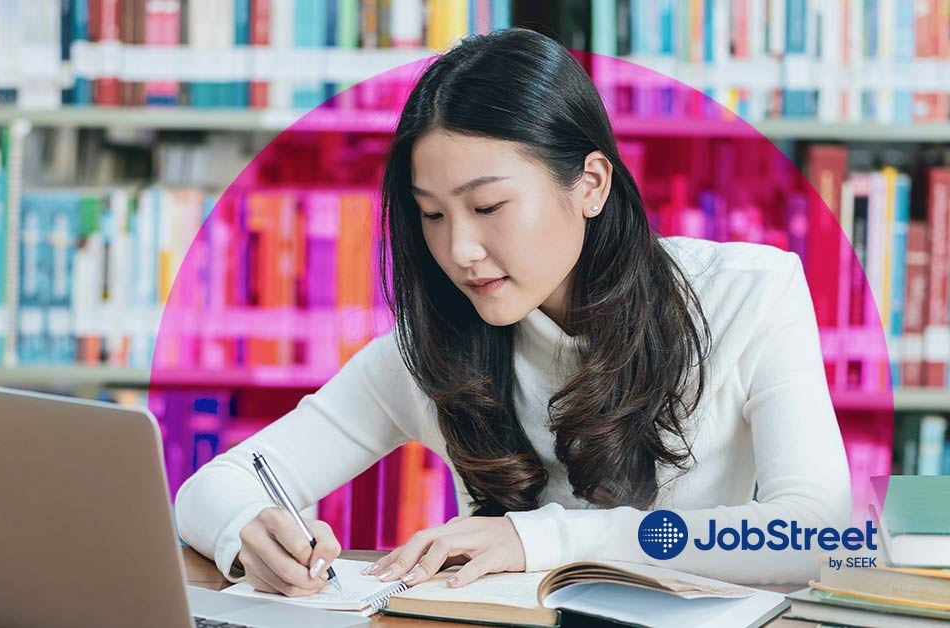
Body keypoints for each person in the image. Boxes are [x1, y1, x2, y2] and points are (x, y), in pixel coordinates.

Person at [173, 27, 851, 596]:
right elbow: (211, 487)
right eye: (431, 215)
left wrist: (542, 538)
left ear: (589, 184)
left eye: (488, 207)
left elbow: (813, 532)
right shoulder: (434, 347)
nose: (460, 250)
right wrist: (251, 533)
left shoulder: (748, 293)